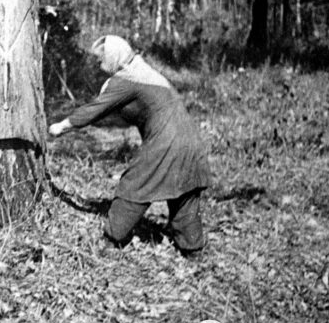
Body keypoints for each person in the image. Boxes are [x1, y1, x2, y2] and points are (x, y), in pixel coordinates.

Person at [48, 35, 210, 255]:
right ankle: (193, 250)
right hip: (191, 141)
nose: (98, 64)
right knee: (184, 192)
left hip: (166, 142)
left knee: (134, 185)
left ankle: (111, 240)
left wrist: (62, 126)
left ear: (114, 58)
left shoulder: (127, 79)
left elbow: (95, 109)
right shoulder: (144, 71)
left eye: (101, 60)